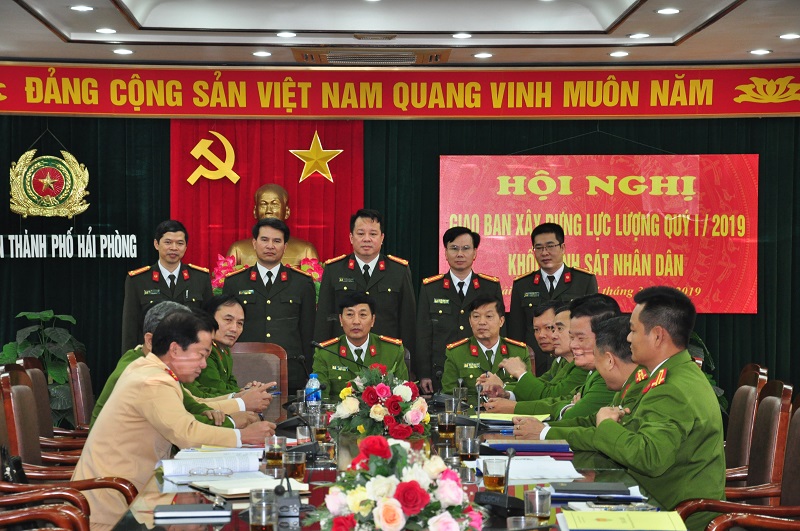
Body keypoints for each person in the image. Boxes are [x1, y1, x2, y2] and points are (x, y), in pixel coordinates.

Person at [73, 311, 278, 528]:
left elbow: (192, 411)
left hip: (138, 491)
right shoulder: (152, 381)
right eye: (201, 355)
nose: (204, 364)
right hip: (113, 507)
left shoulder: (154, 371)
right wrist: (243, 436)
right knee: (218, 518)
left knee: (214, 512)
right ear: (175, 349)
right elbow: (187, 433)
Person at [565, 287, 725, 531]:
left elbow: (650, 458)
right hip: (652, 496)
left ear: (658, 336)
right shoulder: (670, 374)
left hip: (677, 514)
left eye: (633, 330)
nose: (628, 339)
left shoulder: (673, 388)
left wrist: (605, 424)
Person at [92, 301, 268, 429]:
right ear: (151, 341)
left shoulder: (155, 365)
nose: (202, 364)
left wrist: (228, 405)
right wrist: (234, 421)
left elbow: (192, 403)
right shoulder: (145, 375)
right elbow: (182, 426)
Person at [511, 316, 646, 440]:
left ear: (609, 360)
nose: (573, 345)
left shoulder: (639, 385)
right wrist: (543, 428)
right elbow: (590, 420)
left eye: (580, 338)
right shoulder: (625, 384)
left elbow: (627, 444)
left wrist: (544, 431)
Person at [222, 217, 316, 392]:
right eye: (264, 240)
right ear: (254, 243)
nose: (270, 246)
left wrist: (309, 373)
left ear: (285, 247)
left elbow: (308, 331)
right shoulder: (235, 282)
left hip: (291, 371)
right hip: (246, 368)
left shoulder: (302, 283)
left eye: (277, 241)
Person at [486, 293, 620, 416]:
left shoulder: (606, 374)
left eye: (580, 338)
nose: (552, 335)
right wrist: (506, 393)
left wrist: (520, 375)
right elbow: (558, 398)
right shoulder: (572, 363)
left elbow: (554, 399)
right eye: (572, 337)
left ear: (603, 336)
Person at [314, 208, 416, 358]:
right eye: (361, 234)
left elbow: (408, 322)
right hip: (343, 356)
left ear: (382, 238)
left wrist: (407, 361)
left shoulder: (399, 271)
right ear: (351, 237)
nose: (366, 239)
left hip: (387, 355)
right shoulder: (334, 270)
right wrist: (321, 357)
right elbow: (324, 319)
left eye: (373, 234)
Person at [415, 226, 503, 394]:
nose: (460, 254)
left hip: (482, 372)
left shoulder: (490, 287)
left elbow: (500, 331)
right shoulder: (431, 288)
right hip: (441, 372)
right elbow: (423, 334)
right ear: (445, 253)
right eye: (454, 248)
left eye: (466, 248)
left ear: (475, 253)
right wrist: (424, 373)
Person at [508, 222, 598, 376]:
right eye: (539, 248)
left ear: (562, 248)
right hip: (534, 363)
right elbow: (516, 332)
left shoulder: (584, 281)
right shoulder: (522, 285)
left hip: (573, 363)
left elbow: (592, 326)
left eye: (550, 246)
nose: (544, 253)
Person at [121, 220, 213, 352]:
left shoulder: (200, 278)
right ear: (156, 244)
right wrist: (130, 358)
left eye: (180, 243)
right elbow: (130, 327)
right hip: (151, 355)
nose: (174, 248)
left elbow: (208, 323)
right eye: (168, 242)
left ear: (186, 247)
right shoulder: (138, 280)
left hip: (189, 354)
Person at [478, 304, 587, 403]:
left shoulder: (583, 365)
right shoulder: (561, 361)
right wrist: (504, 391)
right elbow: (540, 386)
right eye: (536, 329)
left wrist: (519, 373)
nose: (552, 335)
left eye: (553, 328)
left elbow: (550, 396)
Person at [312, 292, 408, 400]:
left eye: (362, 315)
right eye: (350, 315)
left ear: (373, 320)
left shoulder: (392, 351)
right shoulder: (325, 353)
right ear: (341, 319)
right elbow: (320, 399)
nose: (356, 321)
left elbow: (403, 396)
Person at [441, 295, 530, 409]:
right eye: (476, 316)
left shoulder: (519, 352)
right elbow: (449, 396)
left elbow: (528, 394)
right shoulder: (456, 353)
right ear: (470, 321)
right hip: (471, 416)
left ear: (501, 321)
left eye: (489, 316)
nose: (482, 322)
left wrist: (503, 387)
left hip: (509, 416)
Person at [184, 294, 268, 397]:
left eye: (240, 323)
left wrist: (245, 390)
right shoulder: (204, 349)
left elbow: (230, 382)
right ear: (209, 318)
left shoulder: (225, 349)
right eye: (228, 320)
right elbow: (214, 388)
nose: (234, 329)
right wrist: (244, 393)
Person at [226, 183, 319, 267]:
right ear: (255, 211)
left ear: (287, 212)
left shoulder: (306, 250)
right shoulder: (238, 250)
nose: (269, 211)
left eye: (275, 205)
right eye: (263, 204)